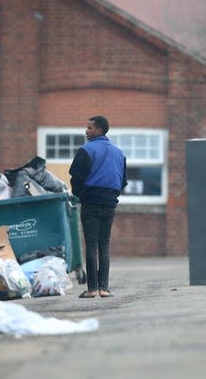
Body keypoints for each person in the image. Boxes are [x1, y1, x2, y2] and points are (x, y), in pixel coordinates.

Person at [69, 115, 127, 298]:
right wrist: (112, 196)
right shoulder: (119, 153)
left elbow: (76, 177)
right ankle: (104, 288)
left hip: (91, 203)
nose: (86, 131)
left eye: (90, 128)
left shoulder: (86, 150)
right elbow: (123, 181)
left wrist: (81, 195)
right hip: (109, 204)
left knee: (91, 246)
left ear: (100, 130)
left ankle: (92, 289)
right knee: (104, 245)